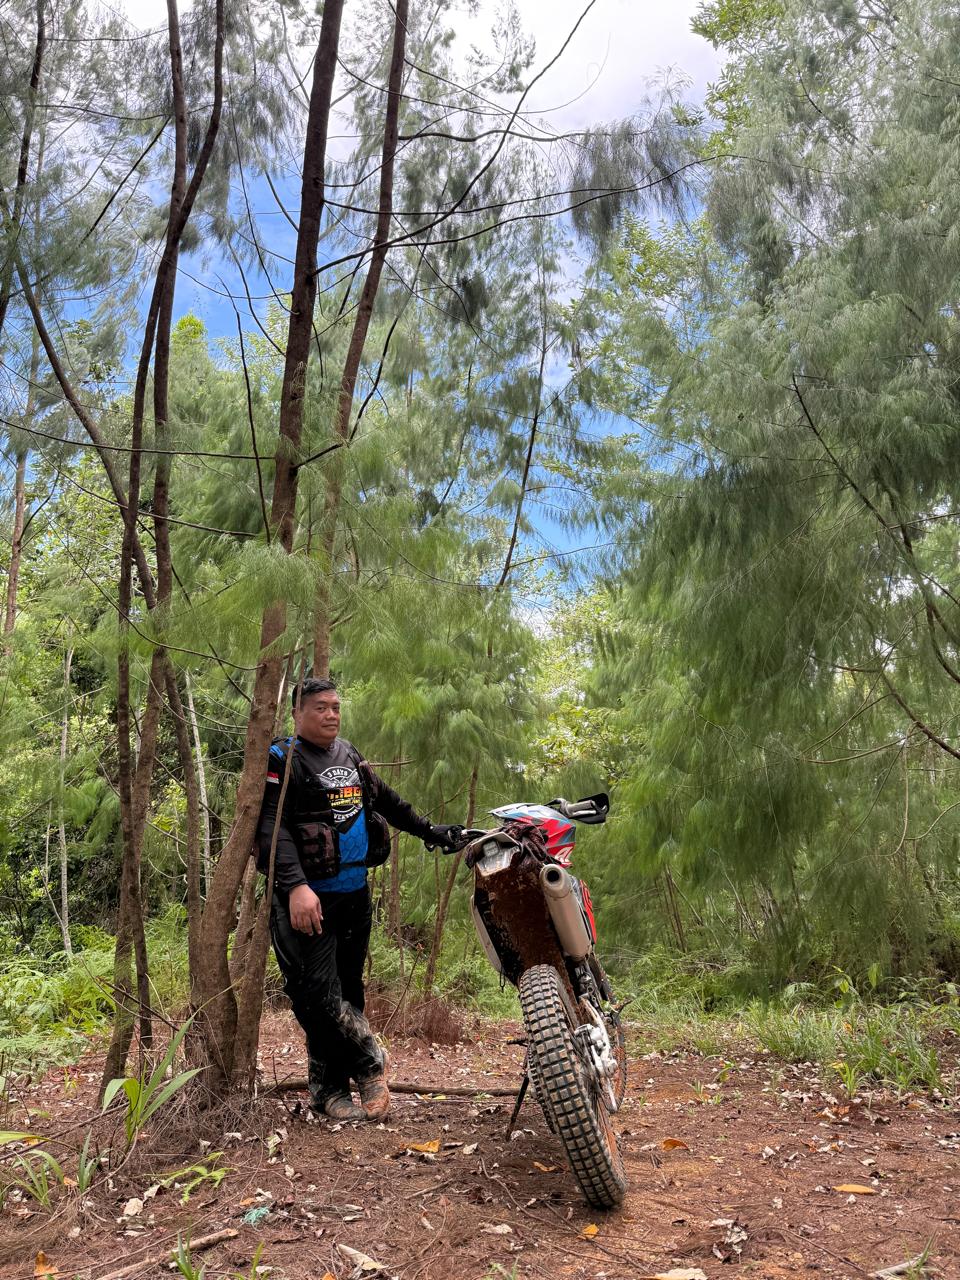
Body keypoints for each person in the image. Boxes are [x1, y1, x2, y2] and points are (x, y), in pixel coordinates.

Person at [255, 676, 461, 1121]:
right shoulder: (282, 758)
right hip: (306, 901)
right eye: (320, 708)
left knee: (349, 991)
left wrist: (430, 831)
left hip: (354, 895)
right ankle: (368, 1062)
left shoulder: (349, 754)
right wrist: (296, 886)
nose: (331, 714)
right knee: (315, 996)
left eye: (335, 706)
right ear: (297, 712)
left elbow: (387, 801)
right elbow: (270, 826)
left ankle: (332, 1090)